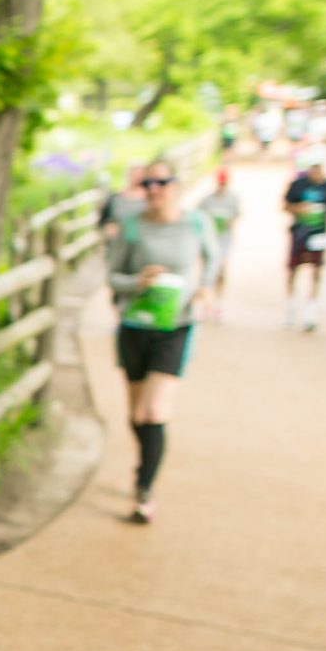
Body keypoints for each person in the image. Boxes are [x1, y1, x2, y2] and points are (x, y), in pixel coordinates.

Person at [107, 166, 219, 524]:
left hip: (177, 325)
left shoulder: (197, 224)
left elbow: (214, 259)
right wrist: (136, 281)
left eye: (162, 183)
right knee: (136, 413)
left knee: (152, 411)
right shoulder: (131, 226)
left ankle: (144, 491)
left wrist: (205, 288)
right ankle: (145, 464)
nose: (155, 190)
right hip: (135, 324)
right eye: (148, 184)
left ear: (176, 186)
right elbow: (111, 275)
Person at [283, 155, 326, 331]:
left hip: (319, 235)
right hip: (299, 233)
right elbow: (286, 206)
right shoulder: (298, 185)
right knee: (293, 270)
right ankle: (290, 308)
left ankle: (311, 311)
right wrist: (299, 209)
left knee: (316, 270)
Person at [196, 167, 242, 308]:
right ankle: (206, 300)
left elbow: (237, 215)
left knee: (222, 271)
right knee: (208, 271)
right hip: (209, 240)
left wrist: (229, 222)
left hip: (224, 240)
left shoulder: (233, 199)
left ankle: (219, 302)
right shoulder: (207, 200)